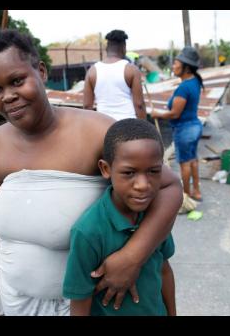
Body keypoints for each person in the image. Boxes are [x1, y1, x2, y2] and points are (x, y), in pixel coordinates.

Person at [0, 29, 183, 316]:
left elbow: (169, 188)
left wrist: (132, 256)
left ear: (40, 71)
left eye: (16, 81)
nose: (8, 96)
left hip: (86, 305)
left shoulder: (95, 132)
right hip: (17, 302)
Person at [63, 119, 176, 316]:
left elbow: (164, 270)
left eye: (153, 171)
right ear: (106, 169)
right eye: (129, 173)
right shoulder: (88, 231)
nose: (142, 184)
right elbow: (80, 301)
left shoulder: (155, 215)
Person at [151, 46, 204, 202]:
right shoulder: (194, 81)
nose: (173, 66)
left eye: (175, 63)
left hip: (184, 129)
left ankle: (186, 196)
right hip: (195, 126)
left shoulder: (183, 87)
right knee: (193, 160)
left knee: (184, 164)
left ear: (186, 67)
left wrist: (157, 114)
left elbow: (175, 113)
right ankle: (197, 191)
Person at [83, 29, 146, 120]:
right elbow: (139, 104)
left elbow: (87, 106)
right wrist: (143, 129)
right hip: (127, 124)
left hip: (103, 125)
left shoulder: (92, 71)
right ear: (124, 47)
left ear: (106, 48)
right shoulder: (131, 69)